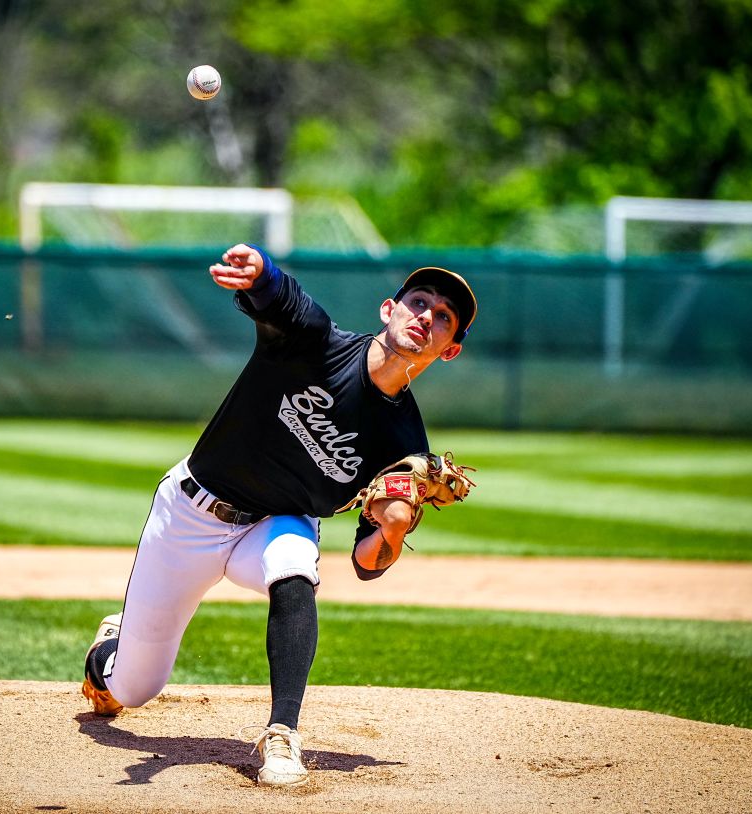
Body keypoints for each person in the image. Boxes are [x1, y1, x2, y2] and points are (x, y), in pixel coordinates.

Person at [81, 242, 477, 787]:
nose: (426, 316)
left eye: (443, 317)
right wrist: (261, 271)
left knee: (296, 563)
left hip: (271, 525)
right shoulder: (315, 343)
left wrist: (391, 528)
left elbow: (367, 563)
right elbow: (285, 300)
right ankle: (110, 649)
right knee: (132, 691)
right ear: (390, 310)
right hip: (191, 513)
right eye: (419, 302)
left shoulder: (404, 443)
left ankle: (282, 733)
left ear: (449, 349)